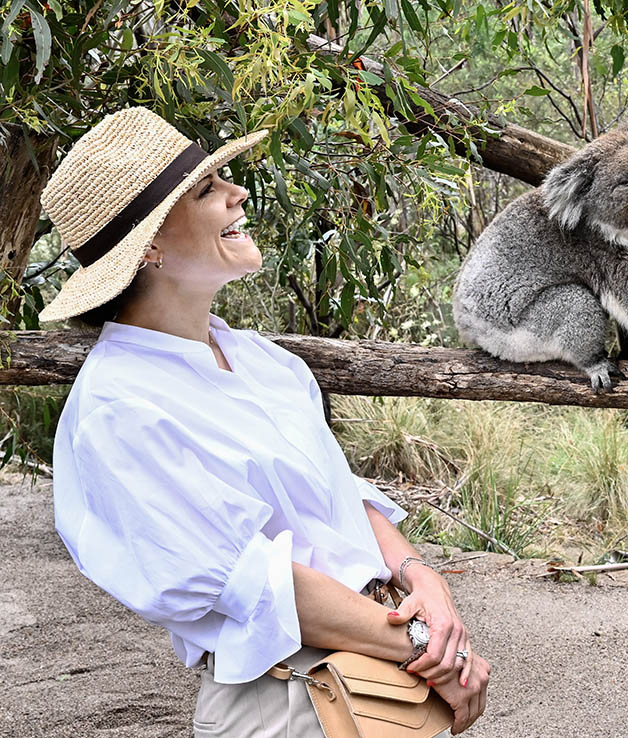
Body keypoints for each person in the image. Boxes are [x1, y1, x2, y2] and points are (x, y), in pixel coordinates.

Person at [41, 106, 490, 737]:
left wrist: (423, 580)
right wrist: (434, 649)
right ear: (149, 249)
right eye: (206, 190)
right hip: (284, 700)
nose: (238, 192)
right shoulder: (120, 410)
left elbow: (340, 497)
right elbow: (255, 583)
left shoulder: (264, 363)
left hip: (380, 670)